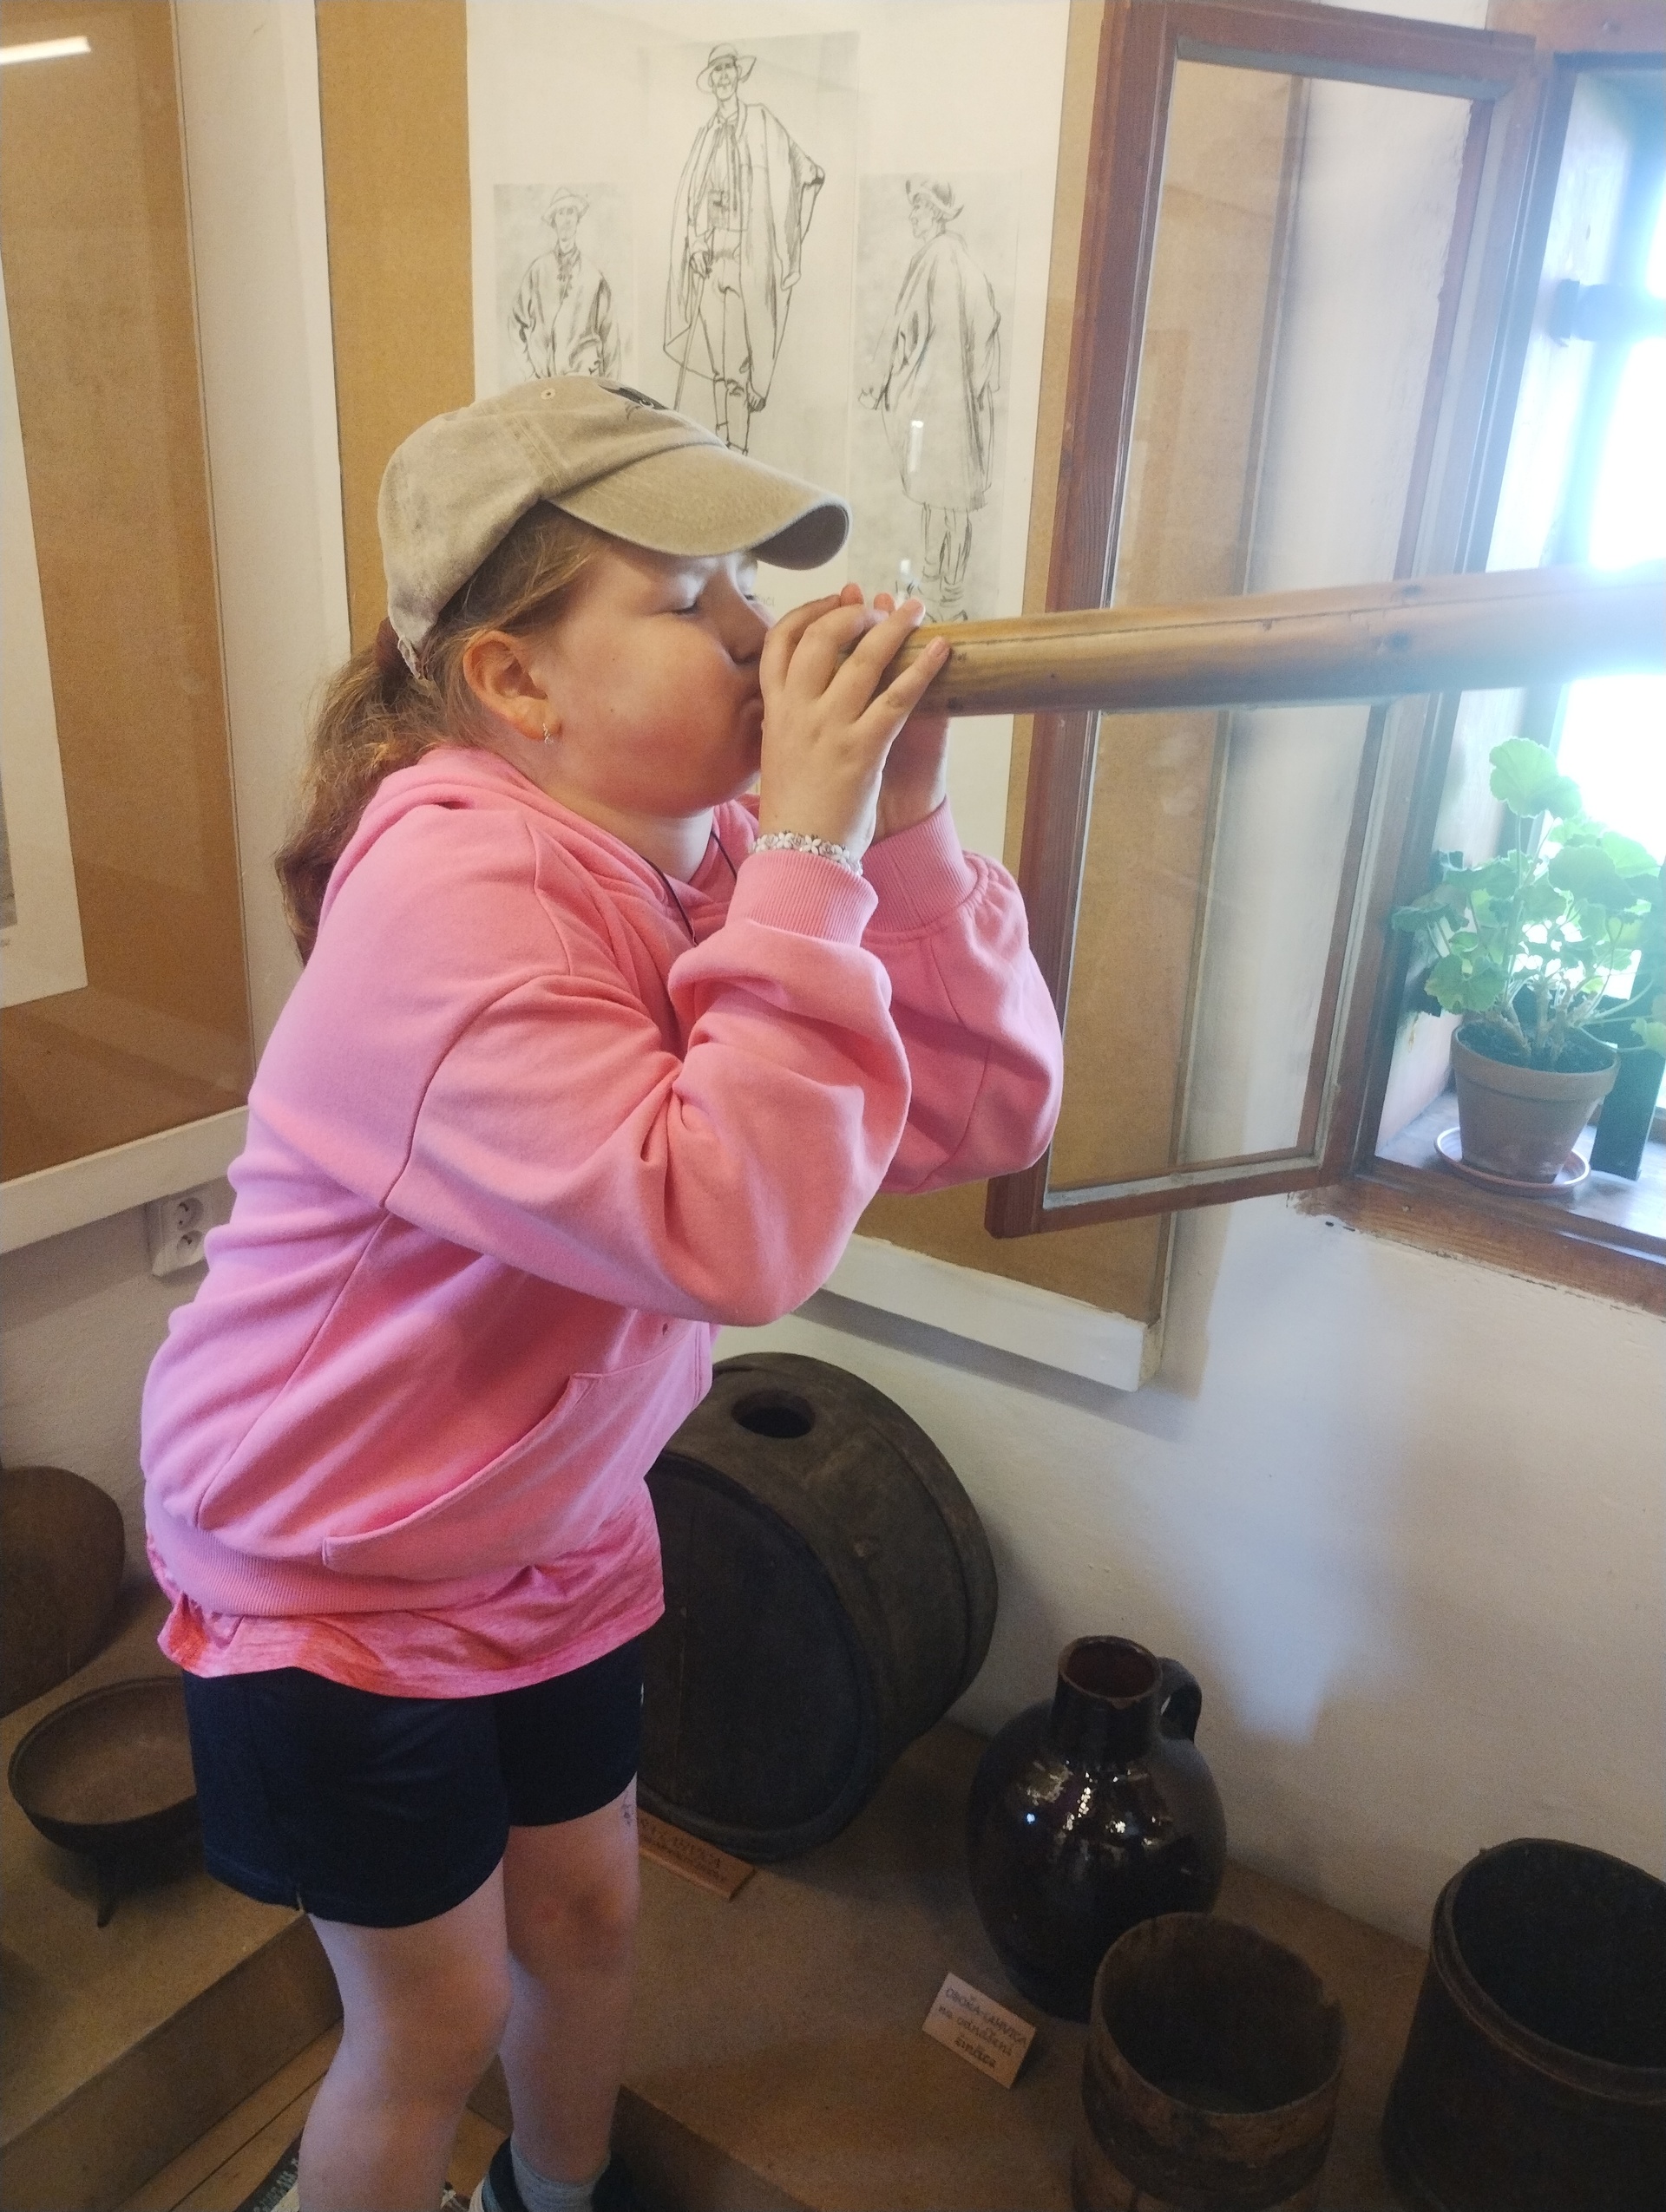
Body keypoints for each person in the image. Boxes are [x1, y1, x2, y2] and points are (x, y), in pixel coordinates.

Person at [140, 376, 1062, 2212]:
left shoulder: (687, 862)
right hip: (329, 1566)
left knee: (586, 1922)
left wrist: (896, 829)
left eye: (748, 587)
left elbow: (972, 1114)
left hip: (539, 1528)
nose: (757, 635)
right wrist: (813, 851)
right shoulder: (452, 896)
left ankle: (553, 2201)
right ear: (517, 679)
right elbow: (732, 1233)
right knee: (434, 2017)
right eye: (691, 594)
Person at [665, 43, 823, 448]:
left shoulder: (762, 122)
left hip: (745, 256)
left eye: (728, 69)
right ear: (711, 80)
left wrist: (801, 194)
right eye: (716, 71)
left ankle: (738, 453)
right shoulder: (706, 136)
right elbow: (692, 201)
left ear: (738, 74)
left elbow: (803, 168)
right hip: (710, 260)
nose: (723, 77)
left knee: (737, 366)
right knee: (720, 369)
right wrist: (695, 244)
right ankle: (723, 449)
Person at [860, 176, 1001, 618]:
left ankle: (936, 595)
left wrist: (878, 382)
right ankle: (946, 595)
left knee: (937, 502)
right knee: (952, 506)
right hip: (961, 411)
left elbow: (903, 326)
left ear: (936, 214)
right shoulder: (969, 264)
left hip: (935, 407)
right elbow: (987, 335)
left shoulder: (929, 260)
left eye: (919, 209)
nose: (913, 216)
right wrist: (976, 394)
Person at [510, 188, 620, 383]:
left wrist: (611, 392)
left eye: (571, 212)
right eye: (561, 213)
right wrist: (529, 372)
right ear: (554, 220)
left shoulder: (595, 278)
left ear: (578, 220)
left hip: (584, 385)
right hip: (543, 387)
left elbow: (610, 341)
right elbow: (515, 321)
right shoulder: (538, 270)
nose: (566, 219)